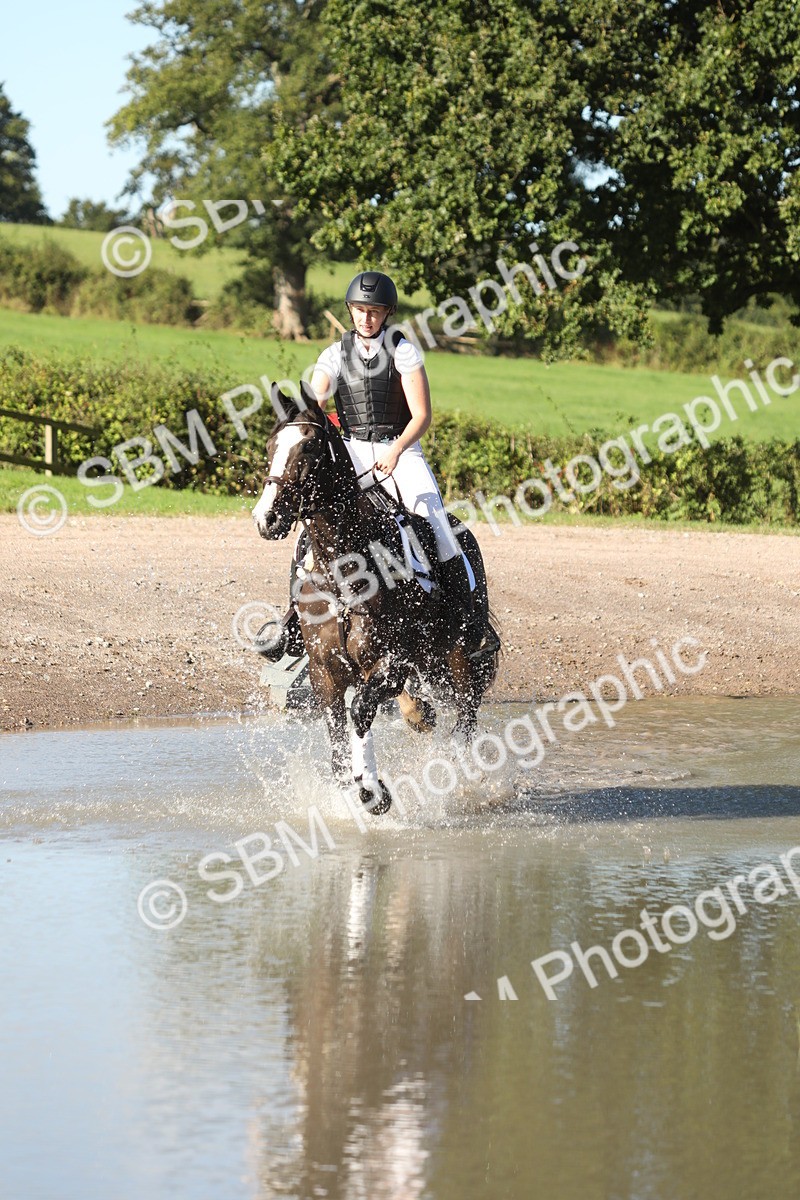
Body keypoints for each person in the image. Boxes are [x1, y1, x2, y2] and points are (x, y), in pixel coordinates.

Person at [257, 270, 481, 660]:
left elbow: (422, 415)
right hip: (350, 452)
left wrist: (395, 451)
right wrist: (304, 416)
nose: (366, 318)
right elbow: (318, 402)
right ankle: (292, 620)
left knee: (437, 523)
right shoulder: (332, 354)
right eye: (359, 310)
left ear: (387, 313)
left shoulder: (404, 351)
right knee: (309, 534)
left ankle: (464, 618)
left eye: (373, 311)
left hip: (402, 450)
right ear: (350, 311)